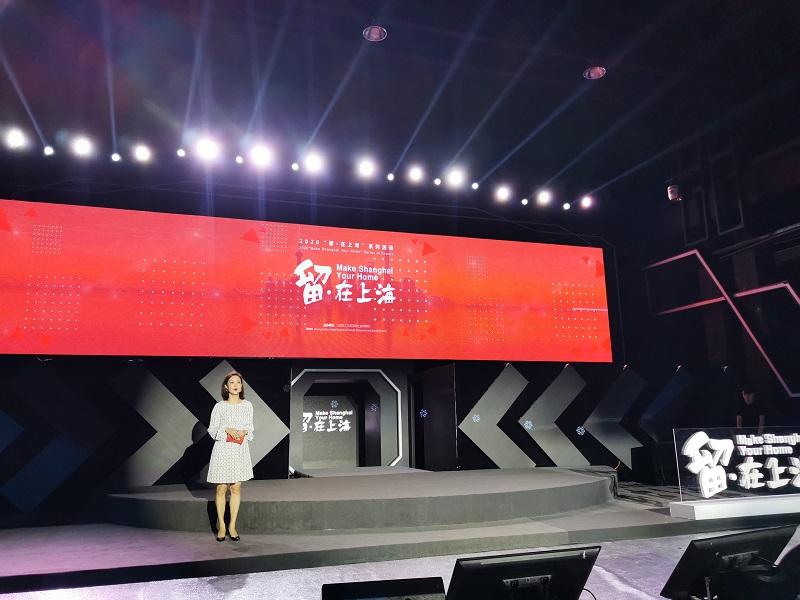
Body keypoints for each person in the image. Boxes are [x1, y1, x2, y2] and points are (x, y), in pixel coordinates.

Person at [207, 371, 254, 541]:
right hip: (223, 449)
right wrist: (227, 429)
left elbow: (250, 428)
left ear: (241, 386)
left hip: (239, 449)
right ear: (226, 387)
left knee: (236, 488)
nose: (235, 385)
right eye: (232, 382)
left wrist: (243, 432)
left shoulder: (247, 405)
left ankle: (232, 525)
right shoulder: (220, 406)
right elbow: (212, 429)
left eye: (238, 382)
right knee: (221, 488)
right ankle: (222, 525)